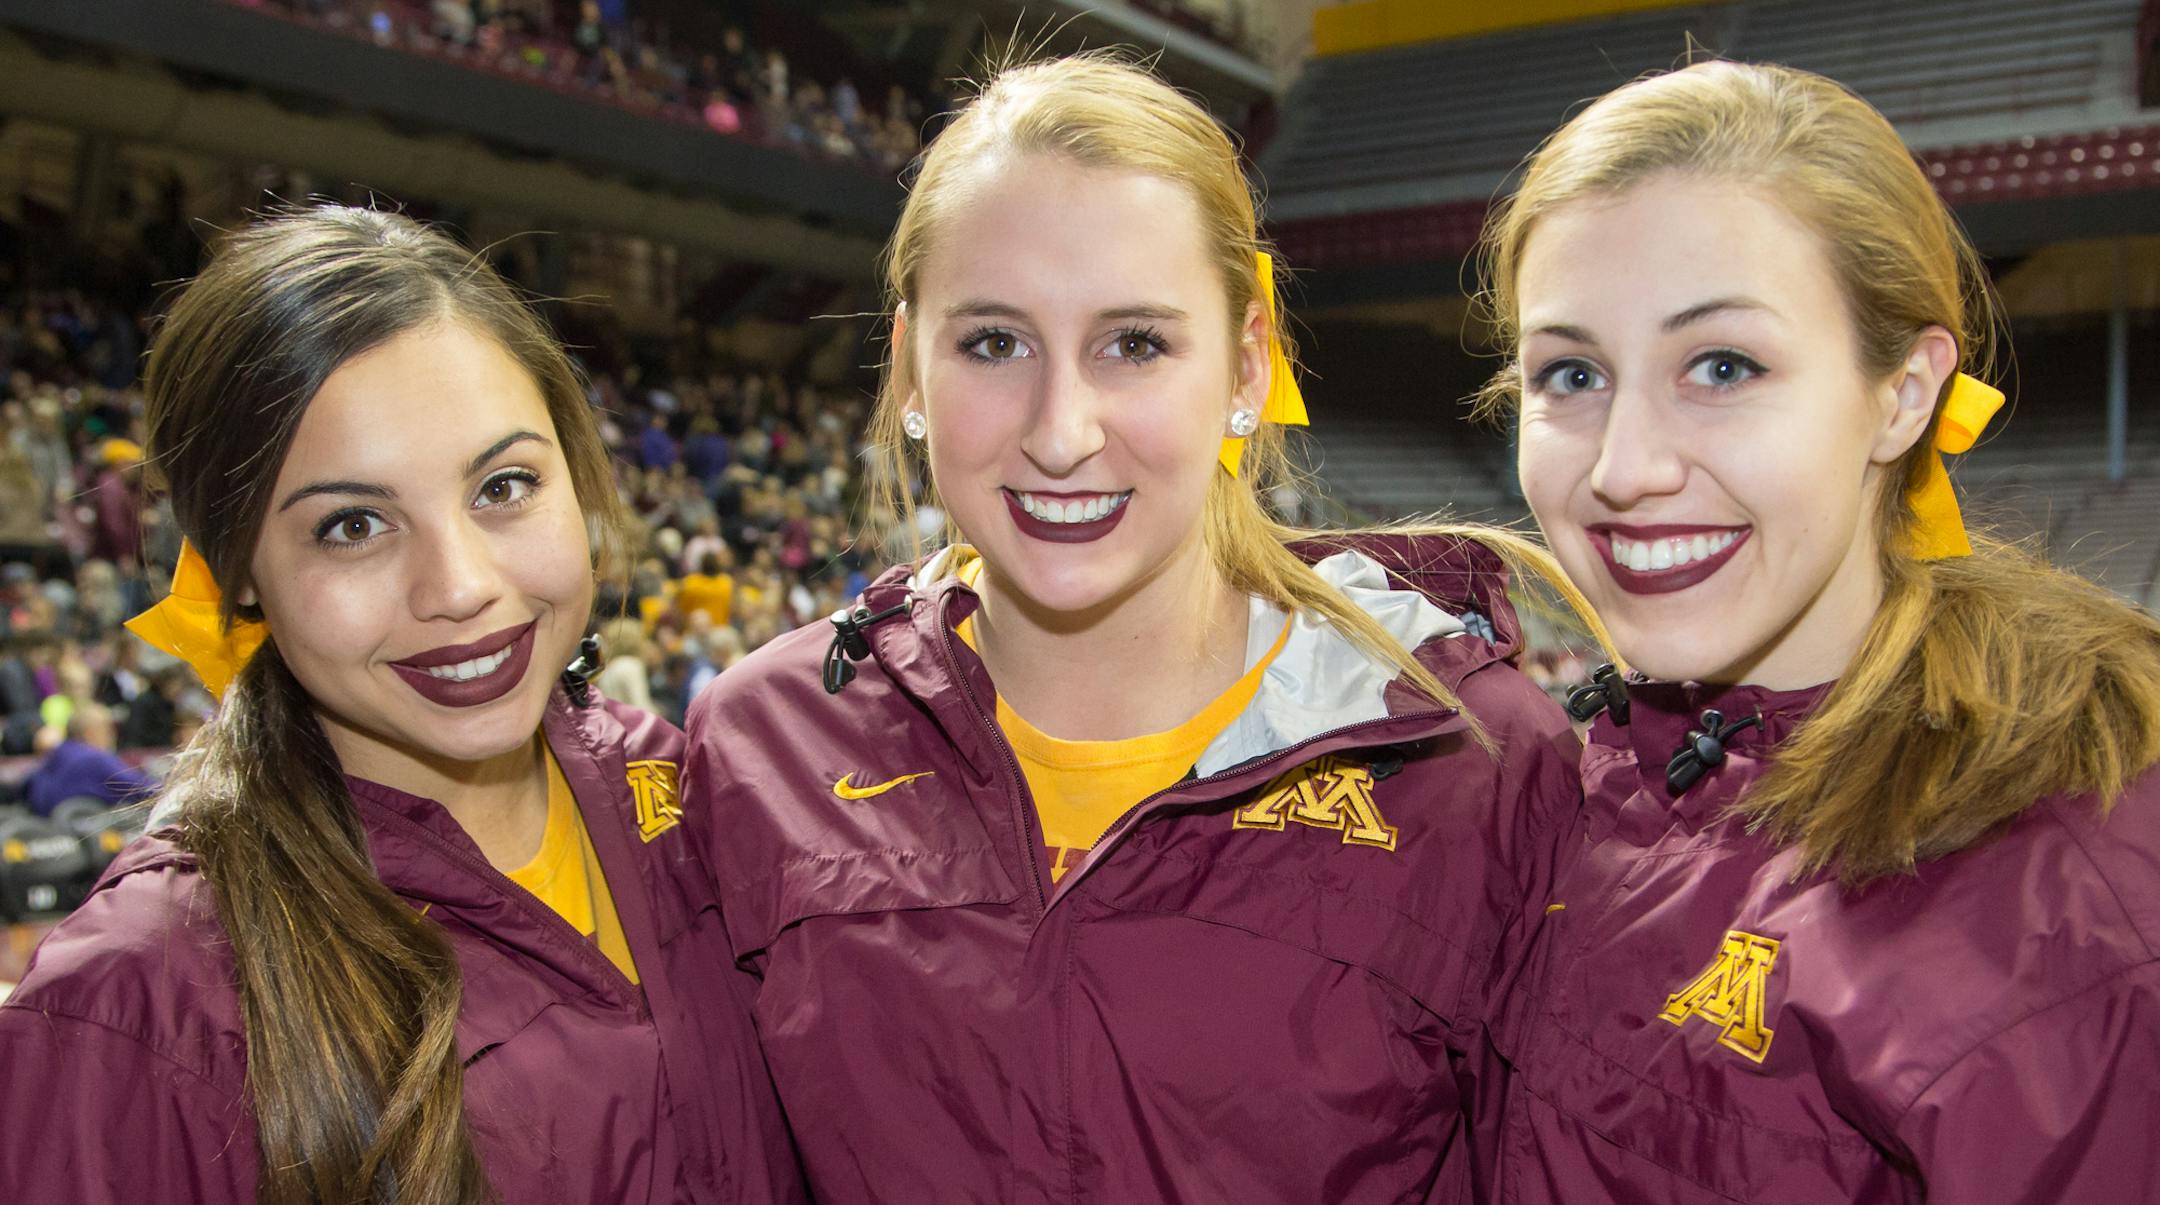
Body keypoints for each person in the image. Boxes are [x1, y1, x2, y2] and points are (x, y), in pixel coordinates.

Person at [681, 54, 1596, 1204]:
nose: (1063, 430)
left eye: (1136, 343)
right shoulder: (762, 747)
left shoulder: (1478, 763)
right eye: (994, 343)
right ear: (910, 362)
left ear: (1247, 365)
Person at [0, 208, 801, 1205]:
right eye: (353, 525)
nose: (459, 585)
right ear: (237, 567)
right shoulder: (144, 1000)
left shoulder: (685, 787)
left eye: (504, 484)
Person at [1477, 60, 2160, 1203]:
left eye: (1724, 365)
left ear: (1901, 393)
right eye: (1573, 372)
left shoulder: (2081, 898)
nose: (1624, 468)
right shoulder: (1559, 781)